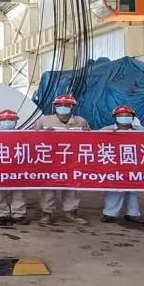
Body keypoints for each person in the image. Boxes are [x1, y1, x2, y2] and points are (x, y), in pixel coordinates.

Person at [32, 94, 89, 226]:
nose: (63, 107)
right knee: (48, 187)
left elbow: (90, 140)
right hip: (50, 160)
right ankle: (47, 213)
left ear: (72, 107)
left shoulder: (80, 121)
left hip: (72, 160)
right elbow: (33, 139)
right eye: (60, 105)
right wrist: (44, 136)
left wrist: (87, 134)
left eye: (67, 105)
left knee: (72, 187)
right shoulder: (44, 121)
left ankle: (70, 212)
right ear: (55, 106)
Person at [99, 106, 144, 225]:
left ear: (133, 117)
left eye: (127, 115)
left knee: (132, 189)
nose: (124, 118)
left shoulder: (141, 130)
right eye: (121, 116)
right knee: (114, 188)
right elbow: (94, 142)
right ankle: (109, 213)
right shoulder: (106, 130)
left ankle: (133, 213)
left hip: (133, 163)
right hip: (113, 164)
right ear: (115, 117)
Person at [0, 109, 28, 225]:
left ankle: (18, 214)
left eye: (11, 120)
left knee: (19, 191)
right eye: (4, 120)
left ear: (16, 122)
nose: (7, 122)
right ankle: (0, 214)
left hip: (18, 167)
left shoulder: (24, 136)